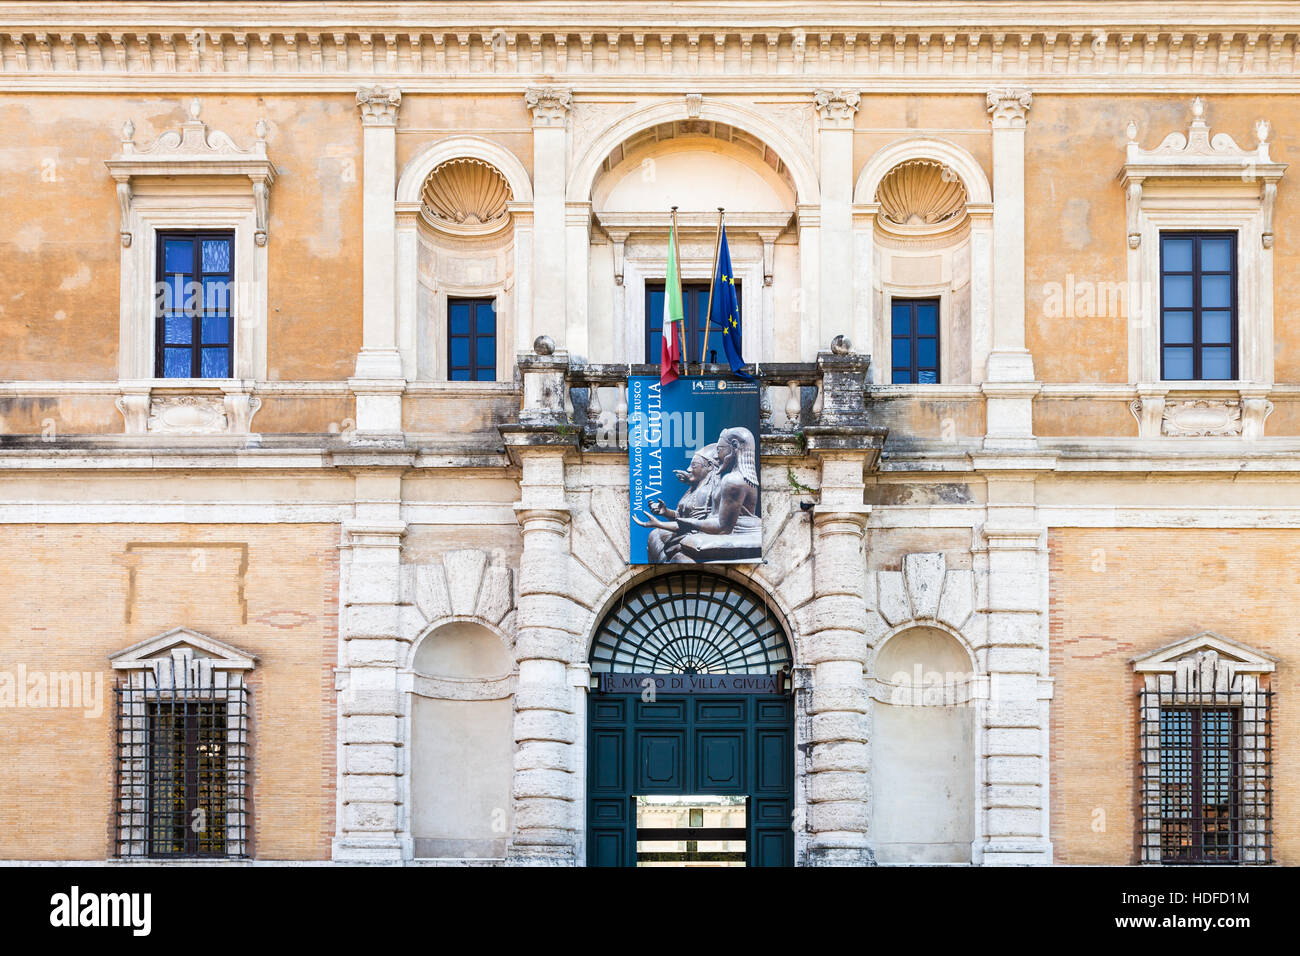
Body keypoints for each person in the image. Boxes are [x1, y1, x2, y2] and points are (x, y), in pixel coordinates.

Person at [633, 444, 719, 562]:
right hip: (687, 532)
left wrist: (659, 523)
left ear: (709, 466)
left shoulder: (704, 492)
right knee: (655, 535)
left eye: (694, 465)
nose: (688, 469)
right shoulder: (695, 489)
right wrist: (666, 512)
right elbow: (683, 517)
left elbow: (690, 526)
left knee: (655, 536)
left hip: (693, 535)